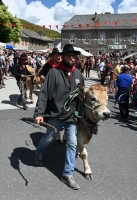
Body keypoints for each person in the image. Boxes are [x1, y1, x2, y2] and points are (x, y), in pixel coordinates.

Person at [34, 44, 84, 190]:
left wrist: (81, 97)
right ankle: (39, 152)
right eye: (68, 55)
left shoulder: (78, 74)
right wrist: (39, 113)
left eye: (73, 55)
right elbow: (44, 93)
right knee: (49, 138)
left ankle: (67, 174)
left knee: (72, 143)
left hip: (72, 115)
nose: (71, 57)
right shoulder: (54, 73)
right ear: (62, 57)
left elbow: (81, 91)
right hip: (56, 113)